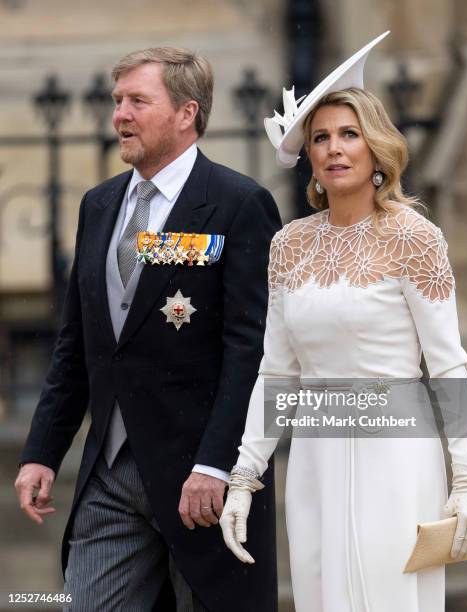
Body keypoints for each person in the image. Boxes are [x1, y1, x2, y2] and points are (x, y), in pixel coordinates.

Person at [220, 32, 467, 612]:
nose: (335, 148)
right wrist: (244, 474)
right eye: (321, 137)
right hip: (315, 454)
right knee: (320, 592)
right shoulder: (289, 245)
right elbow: (275, 371)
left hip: (396, 451)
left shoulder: (414, 237)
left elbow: (447, 361)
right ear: (310, 158)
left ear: (375, 147)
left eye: (350, 134)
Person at [14, 47, 281, 612]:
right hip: (108, 472)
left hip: (200, 479)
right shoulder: (100, 204)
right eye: (117, 101)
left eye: (138, 101)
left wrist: (216, 464)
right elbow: (77, 345)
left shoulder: (239, 204)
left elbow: (249, 351)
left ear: (186, 113)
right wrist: (42, 450)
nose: (120, 115)